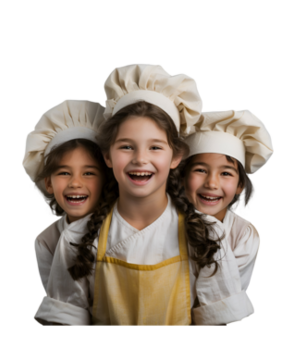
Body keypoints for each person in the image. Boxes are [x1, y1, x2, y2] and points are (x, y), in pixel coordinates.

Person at [33, 63, 255, 326]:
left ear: (176, 157)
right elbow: (64, 321)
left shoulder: (208, 235)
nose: (140, 159)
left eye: (155, 147)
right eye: (127, 146)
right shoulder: (76, 239)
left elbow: (219, 319)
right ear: (107, 155)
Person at [180, 108, 273, 299]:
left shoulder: (244, 235)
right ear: (181, 177)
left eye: (225, 173)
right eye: (200, 170)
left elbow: (225, 298)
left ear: (240, 185)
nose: (212, 183)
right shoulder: (163, 222)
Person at [23, 98, 114, 293]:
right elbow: (55, 300)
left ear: (106, 179)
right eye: (64, 173)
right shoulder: (46, 241)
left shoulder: (121, 225)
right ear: (48, 183)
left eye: (88, 173)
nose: (75, 183)